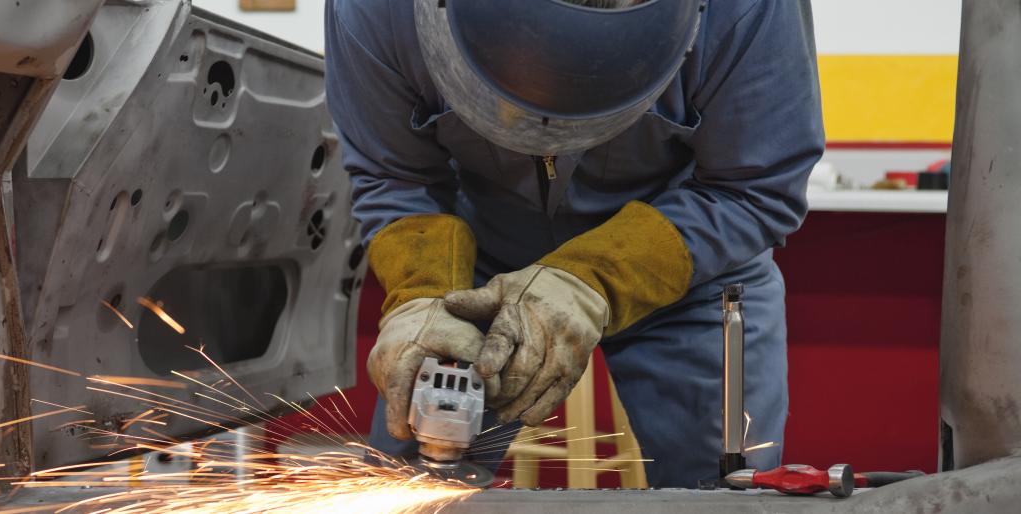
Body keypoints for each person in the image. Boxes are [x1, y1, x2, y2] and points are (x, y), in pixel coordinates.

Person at [325, 0, 824, 487]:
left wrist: (593, 279)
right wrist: (423, 292)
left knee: (718, 492)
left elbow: (752, 187)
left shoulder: (748, 9)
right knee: (411, 478)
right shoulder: (375, 9)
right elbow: (396, 176)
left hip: (686, 257)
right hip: (476, 273)